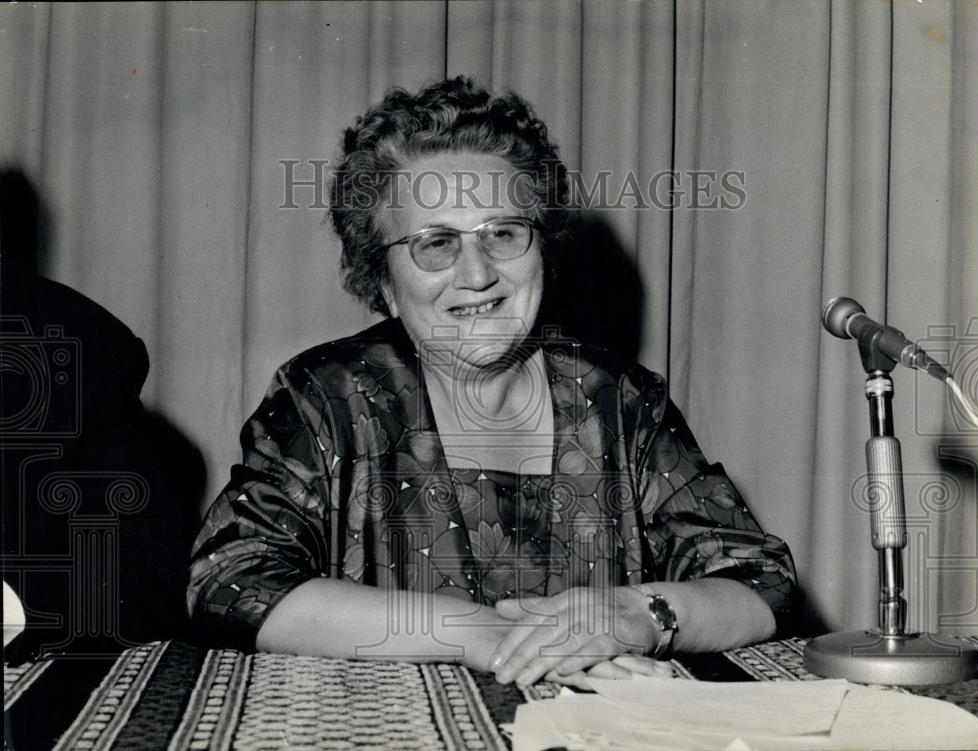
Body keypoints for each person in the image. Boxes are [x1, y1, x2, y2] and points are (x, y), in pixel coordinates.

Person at [187, 77, 795, 687]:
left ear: (541, 250)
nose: (477, 275)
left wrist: (638, 613)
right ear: (384, 282)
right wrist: (485, 633)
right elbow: (233, 578)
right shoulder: (329, 396)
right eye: (436, 244)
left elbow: (757, 579)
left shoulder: (619, 400)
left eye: (502, 233)